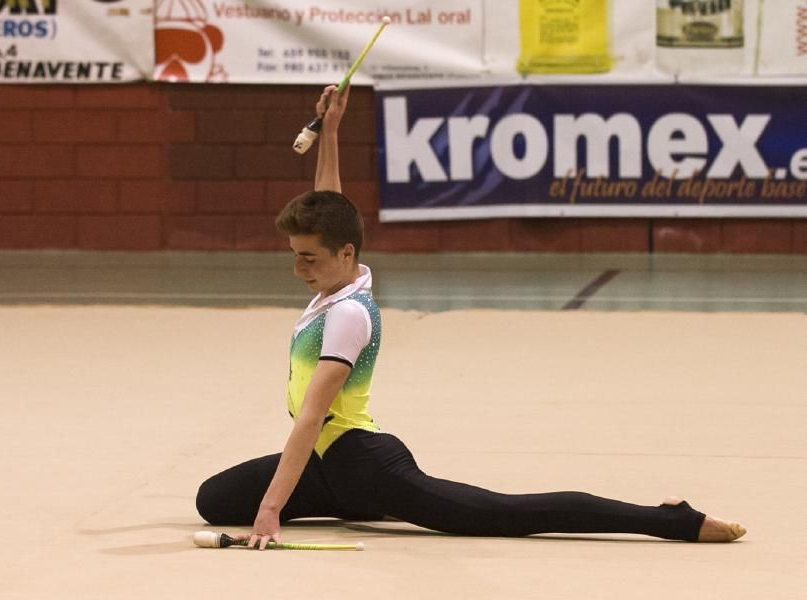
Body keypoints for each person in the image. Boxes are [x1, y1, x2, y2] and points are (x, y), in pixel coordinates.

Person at [195, 84, 747, 549]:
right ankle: (348, 500)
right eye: (294, 255)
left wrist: (271, 510)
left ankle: (669, 518)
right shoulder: (342, 272)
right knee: (214, 500)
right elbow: (329, 207)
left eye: (307, 258)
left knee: (499, 514)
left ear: (344, 254)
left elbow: (311, 417)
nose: (297, 270)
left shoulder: (347, 317)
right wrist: (332, 132)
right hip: (327, 464)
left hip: (361, 458)